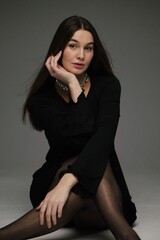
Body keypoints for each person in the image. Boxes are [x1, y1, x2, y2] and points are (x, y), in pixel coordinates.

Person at [0, 16, 141, 240]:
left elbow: (102, 140)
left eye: (88, 48)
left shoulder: (108, 86)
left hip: (98, 190)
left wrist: (74, 85)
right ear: (59, 50)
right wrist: (63, 181)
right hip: (53, 184)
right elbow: (76, 142)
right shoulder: (41, 99)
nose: (81, 56)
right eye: (73, 46)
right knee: (94, 158)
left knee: (98, 157)